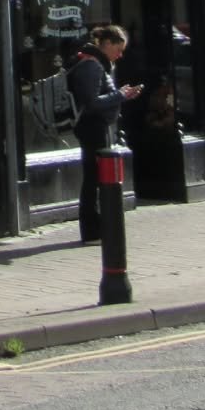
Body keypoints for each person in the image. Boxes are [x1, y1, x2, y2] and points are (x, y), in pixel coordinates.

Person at [68, 23, 142, 244]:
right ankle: (92, 230)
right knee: (93, 178)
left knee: (96, 177)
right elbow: (91, 103)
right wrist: (120, 95)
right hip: (92, 128)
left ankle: (96, 228)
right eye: (118, 50)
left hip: (96, 127)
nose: (119, 56)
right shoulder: (92, 66)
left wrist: (122, 95)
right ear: (107, 44)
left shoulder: (98, 63)